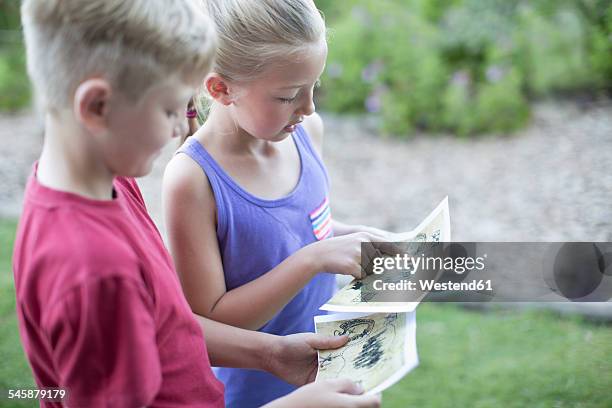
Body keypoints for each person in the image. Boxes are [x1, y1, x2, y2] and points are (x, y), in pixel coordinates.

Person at [13, 0, 380, 407]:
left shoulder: (108, 183)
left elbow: (169, 325)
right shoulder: (95, 274)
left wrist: (270, 353)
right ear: (97, 106)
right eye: (170, 108)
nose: (181, 126)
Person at [163, 1, 393, 406]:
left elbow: (300, 230)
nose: (309, 108)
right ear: (220, 88)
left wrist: (351, 239)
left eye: (313, 87)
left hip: (330, 371)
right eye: (288, 96)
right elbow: (211, 320)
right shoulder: (193, 181)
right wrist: (314, 259)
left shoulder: (306, 134)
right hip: (255, 391)